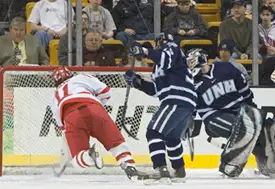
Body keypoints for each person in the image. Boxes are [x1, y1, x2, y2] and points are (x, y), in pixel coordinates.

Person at [186, 49, 275, 178]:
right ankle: (229, 163)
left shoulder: (225, 68)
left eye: (191, 61)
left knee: (262, 132)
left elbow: (244, 89)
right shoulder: (192, 82)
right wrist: (189, 118)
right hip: (214, 116)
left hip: (240, 110)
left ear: (200, 59)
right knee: (245, 130)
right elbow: (190, 103)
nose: (189, 65)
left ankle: (266, 165)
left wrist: (252, 109)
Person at [124, 33, 197, 183]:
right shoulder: (161, 67)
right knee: (171, 137)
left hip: (176, 99)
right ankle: (179, 169)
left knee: (154, 132)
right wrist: (137, 82)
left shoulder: (172, 48)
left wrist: (144, 52)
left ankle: (161, 169)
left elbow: (164, 58)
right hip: (183, 102)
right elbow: (156, 90)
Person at [52, 66, 146, 179]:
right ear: (71, 74)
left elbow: (62, 126)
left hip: (71, 117)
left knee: (77, 162)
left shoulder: (55, 96)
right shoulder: (81, 77)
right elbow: (106, 91)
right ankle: (130, 168)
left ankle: (88, 155)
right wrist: (97, 105)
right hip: (94, 108)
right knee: (116, 143)